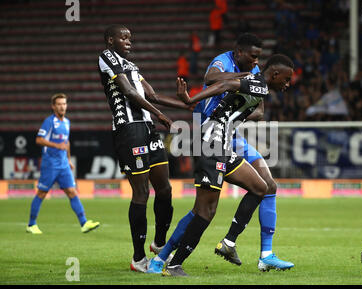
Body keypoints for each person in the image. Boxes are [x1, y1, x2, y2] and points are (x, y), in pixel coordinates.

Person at [147, 34, 294, 274]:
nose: (287, 85)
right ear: (275, 75)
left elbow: (250, 107)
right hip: (211, 143)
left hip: (224, 143)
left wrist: (236, 113)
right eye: (286, 80)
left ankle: (227, 243)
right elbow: (224, 84)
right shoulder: (253, 80)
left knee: (261, 187)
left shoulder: (259, 84)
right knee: (205, 211)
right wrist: (191, 99)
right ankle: (172, 263)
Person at [98, 24, 192, 273]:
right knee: (141, 193)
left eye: (130, 38)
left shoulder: (133, 67)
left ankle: (159, 244)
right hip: (129, 130)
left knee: (164, 189)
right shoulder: (107, 57)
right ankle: (138, 259)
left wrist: (190, 105)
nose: (129, 41)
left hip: (148, 128)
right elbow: (128, 92)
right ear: (110, 40)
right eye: (123, 37)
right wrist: (161, 115)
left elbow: (153, 95)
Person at [26, 93, 100, 234]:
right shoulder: (49, 122)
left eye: (64, 104)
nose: (62, 107)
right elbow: (39, 140)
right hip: (50, 164)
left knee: (72, 192)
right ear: (53, 106)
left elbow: (66, 143)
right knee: (42, 193)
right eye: (59, 104)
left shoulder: (67, 122)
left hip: (63, 164)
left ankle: (84, 223)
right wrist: (55, 145)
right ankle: (31, 224)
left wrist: (69, 159)